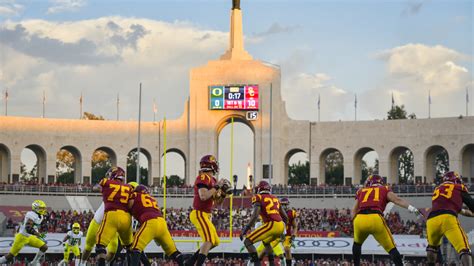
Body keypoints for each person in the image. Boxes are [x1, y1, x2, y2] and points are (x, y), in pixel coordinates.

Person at [351, 174, 422, 266]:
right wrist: (413, 209)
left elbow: (354, 210)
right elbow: (397, 200)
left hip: (360, 219)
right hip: (375, 218)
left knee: (357, 244)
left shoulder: (361, 191)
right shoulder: (384, 189)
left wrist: (355, 222)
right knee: (391, 248)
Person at [185, 155, 231, 266]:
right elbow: (203, 196)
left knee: (215, 242)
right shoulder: (203, 177)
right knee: (209, 240)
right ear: (212, 165)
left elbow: (217, 201)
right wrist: (217, 186)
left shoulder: (213, 180)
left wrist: (224, 193)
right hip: (199, 213)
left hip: (206, 215)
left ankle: (190, 262)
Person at [79, 182, 138, 266]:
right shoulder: (116, 195)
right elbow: (98, 187)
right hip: (98, 222)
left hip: (111, 226)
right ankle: (82, 263)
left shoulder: (129, 205)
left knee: (112, 252)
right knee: (88, 247)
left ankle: (104, 262)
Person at [426, 171, 474, 266]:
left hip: (431, 220)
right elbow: (472, 205)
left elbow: (455, 208)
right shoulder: (458, 187)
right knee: (464, 249)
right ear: (455, 180)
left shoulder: (437, 189)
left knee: (432, 248)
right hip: (448, 219)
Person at [128, 184, 184, 266]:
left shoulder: (135, 195)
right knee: (174, 251)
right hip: (162, 223)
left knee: (135, 247)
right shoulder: (152, 199)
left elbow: (129, 206)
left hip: (150, 222)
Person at [240, 181, 288, 266]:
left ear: (259, 189)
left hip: (272, 224)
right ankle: (272, 264)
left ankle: (257, 264)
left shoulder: (258, 197)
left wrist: (245, 229)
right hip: (280, 225)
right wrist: (283, 230)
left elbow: (255, 216)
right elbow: (285, 217)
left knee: (247, 241)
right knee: (266, 243)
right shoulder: (275, 198)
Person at [95, 166, 133, 266]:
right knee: (130, 247)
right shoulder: (129, 187)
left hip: (112, 215)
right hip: (126, 218)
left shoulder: (106, 182)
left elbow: (96, 188)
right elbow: (131, 204)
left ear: (114, 175)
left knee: (100, 245)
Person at [0, 200, 49, 265]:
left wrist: (40, 230)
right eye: (41, 208)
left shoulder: (40, 216)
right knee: (10, 256)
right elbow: (28, 228)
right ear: (35, 208)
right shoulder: (31, 214)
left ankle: (34, 263)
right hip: (22, 237)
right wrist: (37, 234)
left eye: (43, 208)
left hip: (29, 237)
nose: (43, 209)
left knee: (44, 247)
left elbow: (35, 225)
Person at [281, 197, 298, 266]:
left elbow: (295, 226)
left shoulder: (291, 213)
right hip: (276, 234)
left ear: (288, 204)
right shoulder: (276, 212)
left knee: (287, 249)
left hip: (286, 235)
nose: (284, 206)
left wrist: (293, 235)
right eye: (282, 204)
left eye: (285, 204)